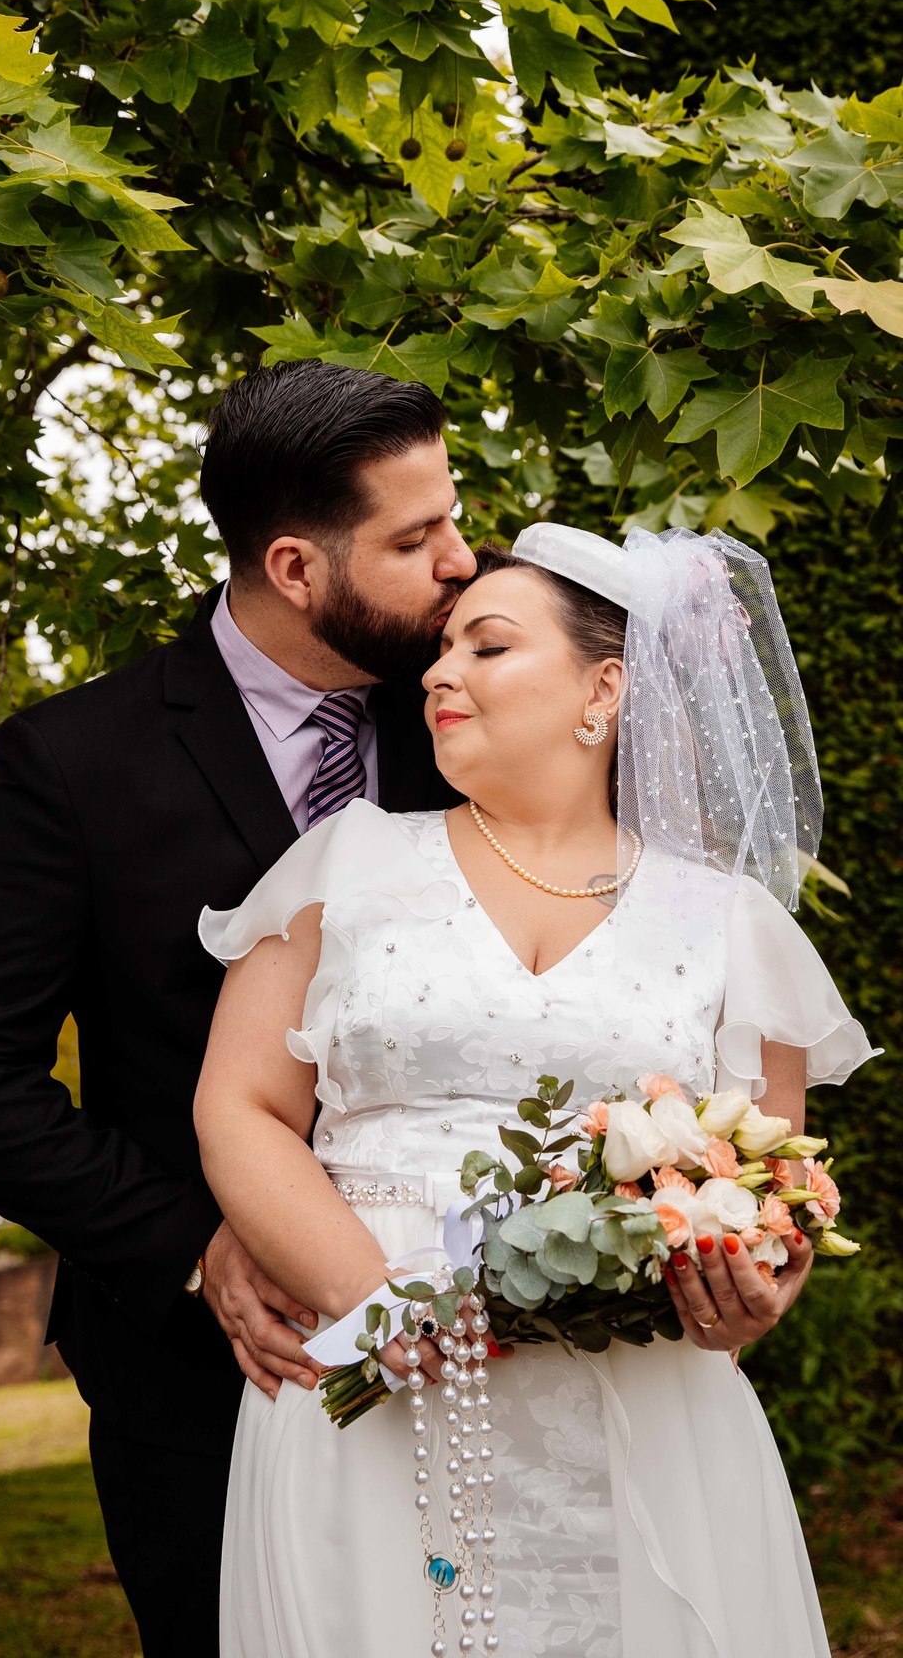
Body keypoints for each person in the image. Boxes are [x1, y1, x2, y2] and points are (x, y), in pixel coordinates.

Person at [195, 523, 874, 1658]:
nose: (440, 672)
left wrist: (756, 1288)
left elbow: (766, 1191)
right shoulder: (344, 863)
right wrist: (381, 1306)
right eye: (443, 649)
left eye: (487, 646)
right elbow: (240, 1108)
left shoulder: (731, 927)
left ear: (602, 689)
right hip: (370, 1386)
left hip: (640, 1417)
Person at [0, 359, 477, 1658]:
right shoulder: (77, 763)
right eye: (415, 536)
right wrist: (193, 1248)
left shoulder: (472, 713)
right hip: (211, 1375)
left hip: (484, 1346)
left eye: (454, 515)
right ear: (293, 567)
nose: (461, 559)